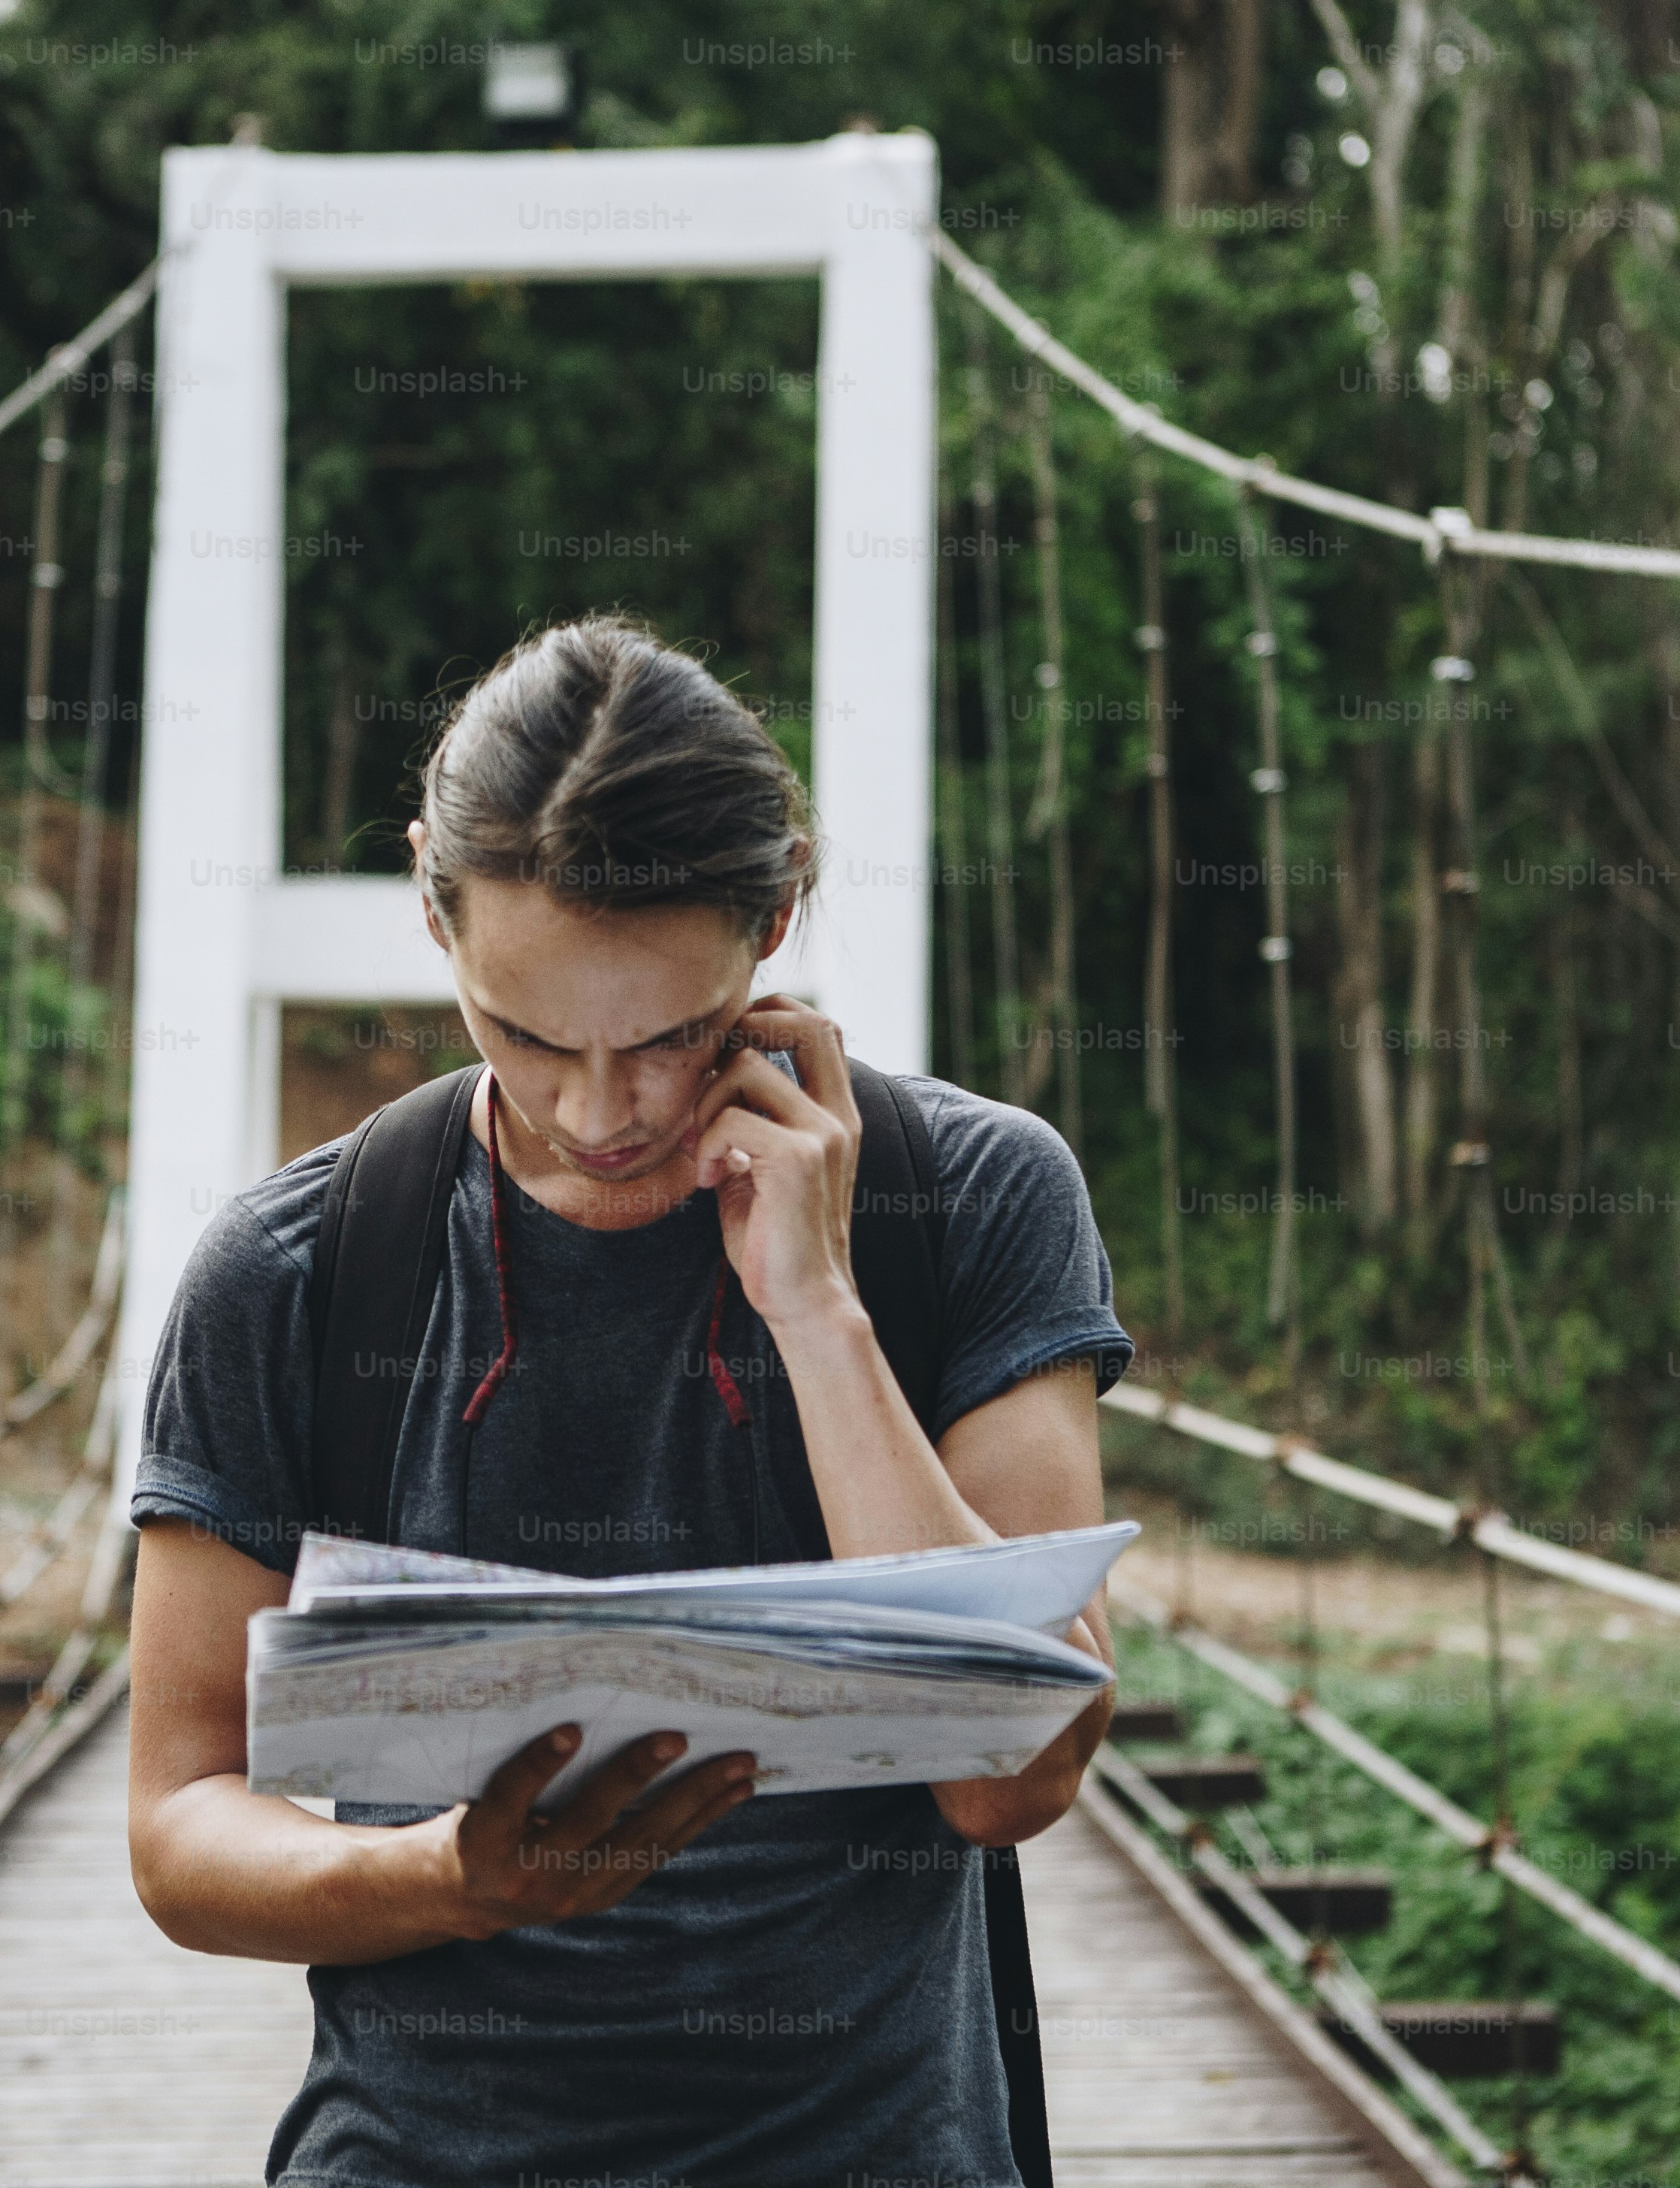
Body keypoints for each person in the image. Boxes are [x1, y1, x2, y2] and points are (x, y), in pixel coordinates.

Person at [125, 615, 1132, 2188]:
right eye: (527, 1035)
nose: (604, 1112)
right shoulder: (299, 1268)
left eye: (669, 1037)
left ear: (777, 917)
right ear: (434, 909)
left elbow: (1012, 1775)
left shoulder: (978, 1199)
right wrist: (451, 1876)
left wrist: (818, 1301)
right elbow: (181, 1828)